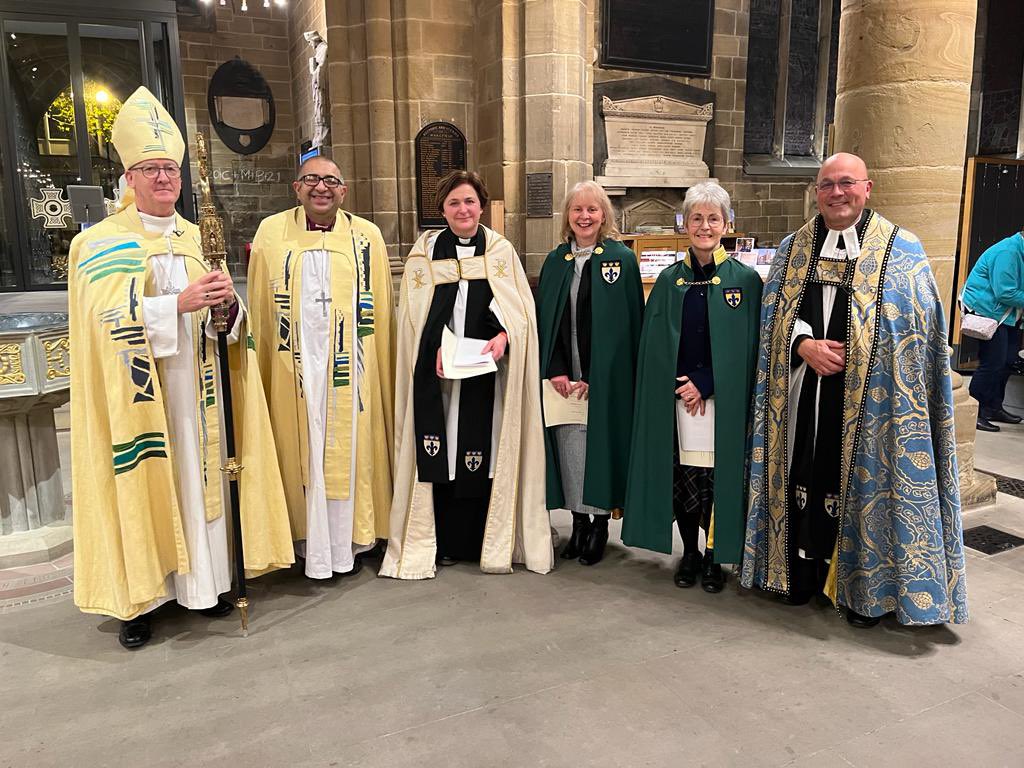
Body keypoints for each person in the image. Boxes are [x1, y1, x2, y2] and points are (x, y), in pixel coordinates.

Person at [68, 87, 294, 648]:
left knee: (205, 482)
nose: (164, 178)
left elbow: (230, 323)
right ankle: (141, 601)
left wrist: (228, 308)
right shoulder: (95, 243)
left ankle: (208, 584)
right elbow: (100, 324)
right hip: (140, 396)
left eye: (170, 169)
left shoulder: (198, 237)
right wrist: (175, 305)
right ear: (129, 177)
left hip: (199, 388)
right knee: (143, 480)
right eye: (151, 169)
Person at [741, 152, 968, 627]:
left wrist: (862, 354)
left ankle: (864, 592)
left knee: (859, 486)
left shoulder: (901, 251)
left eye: (847, 183)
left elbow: (915, 332)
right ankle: (798, 575)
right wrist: (803, 344)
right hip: (805, 394)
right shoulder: (793, 249)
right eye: (827, 185)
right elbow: (771, 318)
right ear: (817, 192)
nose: (837, 193)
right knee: (804, 474)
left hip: (874, 406)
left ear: (868, 188)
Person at [380, 170, 553, 578]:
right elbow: (412, 318)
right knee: (441, 449)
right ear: (442, 209)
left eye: (470, 202)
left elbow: (520, 312)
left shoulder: (500, 251)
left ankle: (482, 540)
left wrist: (504, 335)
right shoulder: (424, 254)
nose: (463, 209)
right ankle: (439, 542)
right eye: (454, 202)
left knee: (482, 450)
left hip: (486, 376)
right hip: (438, 378)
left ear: (482, 206)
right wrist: (432, 348)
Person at [247, 156, 394, 579]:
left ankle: (355, 537)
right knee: (300, 446)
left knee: (351, 448)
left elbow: (380, 314)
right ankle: (303, 539)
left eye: (331, 181)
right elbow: (259, 305)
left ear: (343, 191)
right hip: (293, 367)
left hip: (353, 370)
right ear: (297, 187)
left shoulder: (367, 236)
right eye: (312, 179)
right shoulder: (271, 233)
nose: (321, 188)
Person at [622, 182, 762, 592]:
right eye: (697, 218)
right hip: (680, 398)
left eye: (713, 219)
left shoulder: (746, 280)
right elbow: (656, 344)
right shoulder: (669, 281)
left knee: (717, 479)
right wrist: (681, 385)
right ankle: (691, 553)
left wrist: (706, 383)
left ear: (727, 224)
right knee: (685, 477)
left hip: (724, 399)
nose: (705, 226)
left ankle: (717, 556)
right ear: (685, 223)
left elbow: (748, 348)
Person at [536, 181, 643, 566]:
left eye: (592, 210)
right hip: (564, 379)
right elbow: (546, 323)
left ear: (604, 216)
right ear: (567, 216)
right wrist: (557, 369)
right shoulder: (555, 261)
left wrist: (600, 374)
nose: (584, 217)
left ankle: (598, 524)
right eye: (577, 210)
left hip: (604, 379)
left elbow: (627, 326)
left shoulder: (621, 259)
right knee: (569, 450)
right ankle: (577, 522)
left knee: (598, 449)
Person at [961, 228, 1024, 432]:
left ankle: (993, 407)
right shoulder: (1009, 252)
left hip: (1006, 314)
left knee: (1007, 361)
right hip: (988, 312)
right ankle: (974, 413)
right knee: (992, 362)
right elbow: (1005, 292)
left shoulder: (1019, 250)